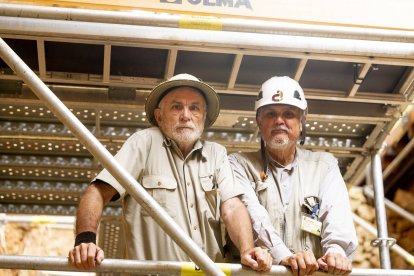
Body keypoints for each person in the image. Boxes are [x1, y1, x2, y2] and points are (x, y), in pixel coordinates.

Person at [68, 73, 272, 272]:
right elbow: (97, 191)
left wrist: (247, 249)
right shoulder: (144, 143)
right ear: (159, 116)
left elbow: (233, 207)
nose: (186, 115)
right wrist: (85, 240)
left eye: (194, 108)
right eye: (176, 107)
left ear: (203, 117)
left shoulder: (216, 154)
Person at [229, 76, 358, 276]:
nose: (279, 121)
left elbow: (336, 214)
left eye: (288, 114)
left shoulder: (324, 166)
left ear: (302, 121)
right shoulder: (239, 164)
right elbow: (253, 216)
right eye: (270, 113)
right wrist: (284, 258)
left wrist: (336, 252)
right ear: (259, 121)